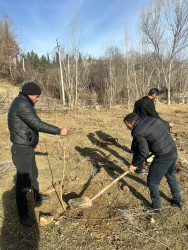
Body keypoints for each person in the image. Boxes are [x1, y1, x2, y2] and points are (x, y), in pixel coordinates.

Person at [8, 82, 69, 227]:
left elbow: (27, 126)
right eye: (37, 96)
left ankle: (36, 196)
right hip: (21, 149)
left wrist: (31, 142)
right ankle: (23, 215)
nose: (39, 99)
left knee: (33, 174)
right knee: (22, 183)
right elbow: (37, 124)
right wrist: (59, 131)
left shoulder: (22, 102)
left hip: (26, 146)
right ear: (30, 95)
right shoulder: (22, 105)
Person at [123, 112, 183, 213]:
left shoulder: (137, 131)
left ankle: (156, 207)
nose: (127, 128)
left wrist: (134, 164)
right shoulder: (150, 119)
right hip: (173, 149)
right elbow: (166, 125)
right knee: (170, 175)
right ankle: (178, 201)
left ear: (133, 122)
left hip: (163, 156)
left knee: (152, 182)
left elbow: (144, 152)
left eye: (128, 126)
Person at [132, 88, 173, 174]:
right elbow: (155, 117)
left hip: (137, 127)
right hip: (146, 128)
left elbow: (134, 115)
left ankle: (138, 165)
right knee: (142, 149)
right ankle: (140, 168)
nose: (156, 99)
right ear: (153, 95)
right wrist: (167, 124)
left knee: (138, 147)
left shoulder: (138, 101)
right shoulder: (148, 103)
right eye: (157, 97)